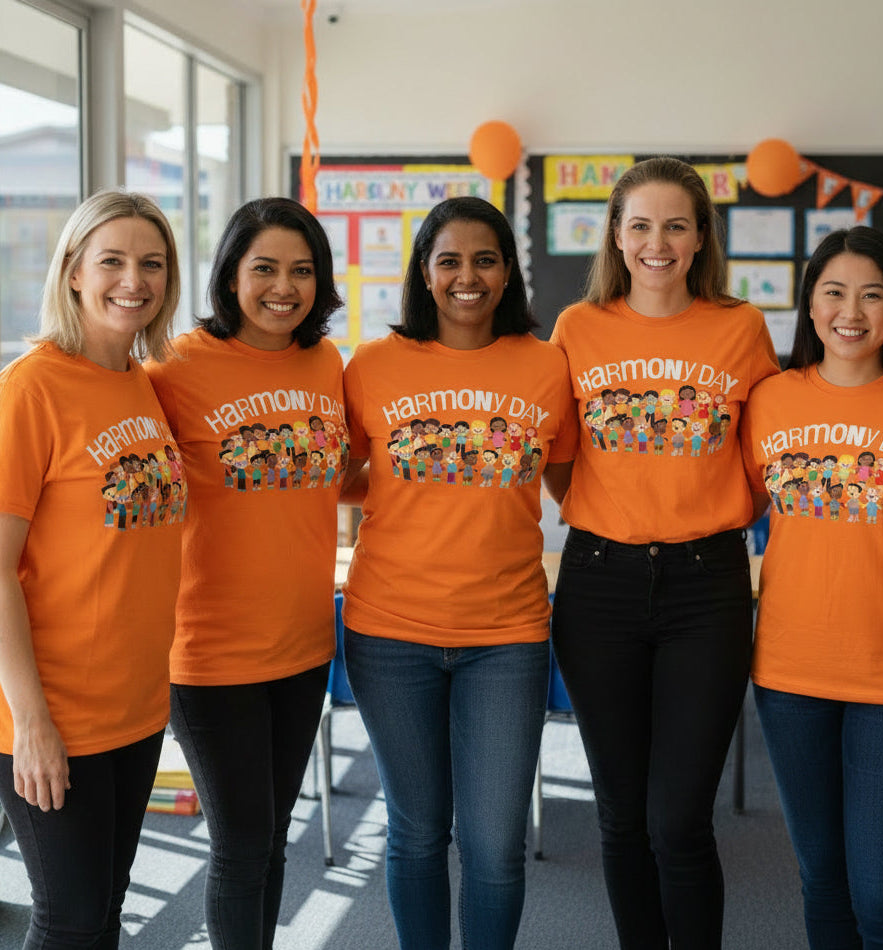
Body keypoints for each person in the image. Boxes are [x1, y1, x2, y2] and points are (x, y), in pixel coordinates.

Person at [547, 157, 779, 948]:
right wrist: (613, 513)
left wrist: (698, 514)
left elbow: (764, 461)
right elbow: (560, 460)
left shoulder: (740, 327)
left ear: (700, 237)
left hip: (706, 587)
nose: (658, 243)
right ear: (615, 235)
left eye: (676, 225)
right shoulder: (578, 328)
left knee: (679, 819)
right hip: (598, 584)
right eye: (640, 225)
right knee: (620, 814)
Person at [340, 196, 577, 950]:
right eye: (449, 261)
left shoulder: (546, 366)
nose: (466, 277)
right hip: (389, 633)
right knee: (415, 831)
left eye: (484, 261)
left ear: (508, 273)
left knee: (495, 844)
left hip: (507, 637)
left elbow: (572, 483)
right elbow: (337, 472)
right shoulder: (372, 365)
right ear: (424, 272)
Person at [144, 197, 345, 949]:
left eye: (302, 270)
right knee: (240, 842)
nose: (283, 288)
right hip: (210, 650)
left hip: (304, 643)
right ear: (231, 275)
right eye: (264, 268)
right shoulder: (174, 367)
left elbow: (337, 472)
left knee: (273, 836)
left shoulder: (326, 363)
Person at [740, 226, 883, 948]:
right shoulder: (769, 401)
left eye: (871, 295)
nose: (850, 312)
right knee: (824, 884)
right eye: (833, 293)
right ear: (810, 304)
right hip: (790, 678)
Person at [0, 190, 185, 946]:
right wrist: (31, 722)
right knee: (70, 920)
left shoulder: (143, 382)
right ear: (73, 271)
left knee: (105, 908)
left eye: (152, 263)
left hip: (134, 704)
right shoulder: (31, 388)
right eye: (112, 261)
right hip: (54, 711)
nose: (133, 280)